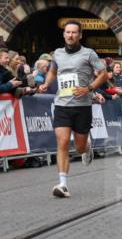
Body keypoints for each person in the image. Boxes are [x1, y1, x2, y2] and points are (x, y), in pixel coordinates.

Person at [38, 20, 109, 199]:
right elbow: (53, 71)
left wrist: (89, 88)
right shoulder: (58, 54)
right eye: (67, 32)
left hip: (82, 106)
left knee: (79, 147)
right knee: (62, 142)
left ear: (80, 35)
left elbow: (103, 74)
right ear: (64, 35)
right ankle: (63, 184)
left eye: (74, 32)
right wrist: (46, 83)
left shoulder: (88, 54)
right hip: (62, 105)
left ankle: (87, 147)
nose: (70, 35)